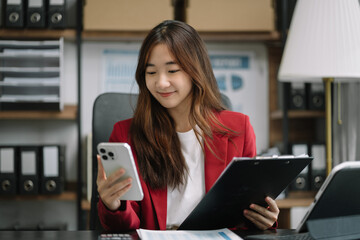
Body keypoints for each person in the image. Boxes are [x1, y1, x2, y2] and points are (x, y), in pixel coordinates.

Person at [96, 20, 279, 232]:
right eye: (151, 72)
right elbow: (126, 228)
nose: (161, 82)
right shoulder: (125, 134)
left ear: (195, 71)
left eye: (172, 71)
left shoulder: (239, 129)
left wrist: (264, 218)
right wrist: (113, 205)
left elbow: (246, 215)